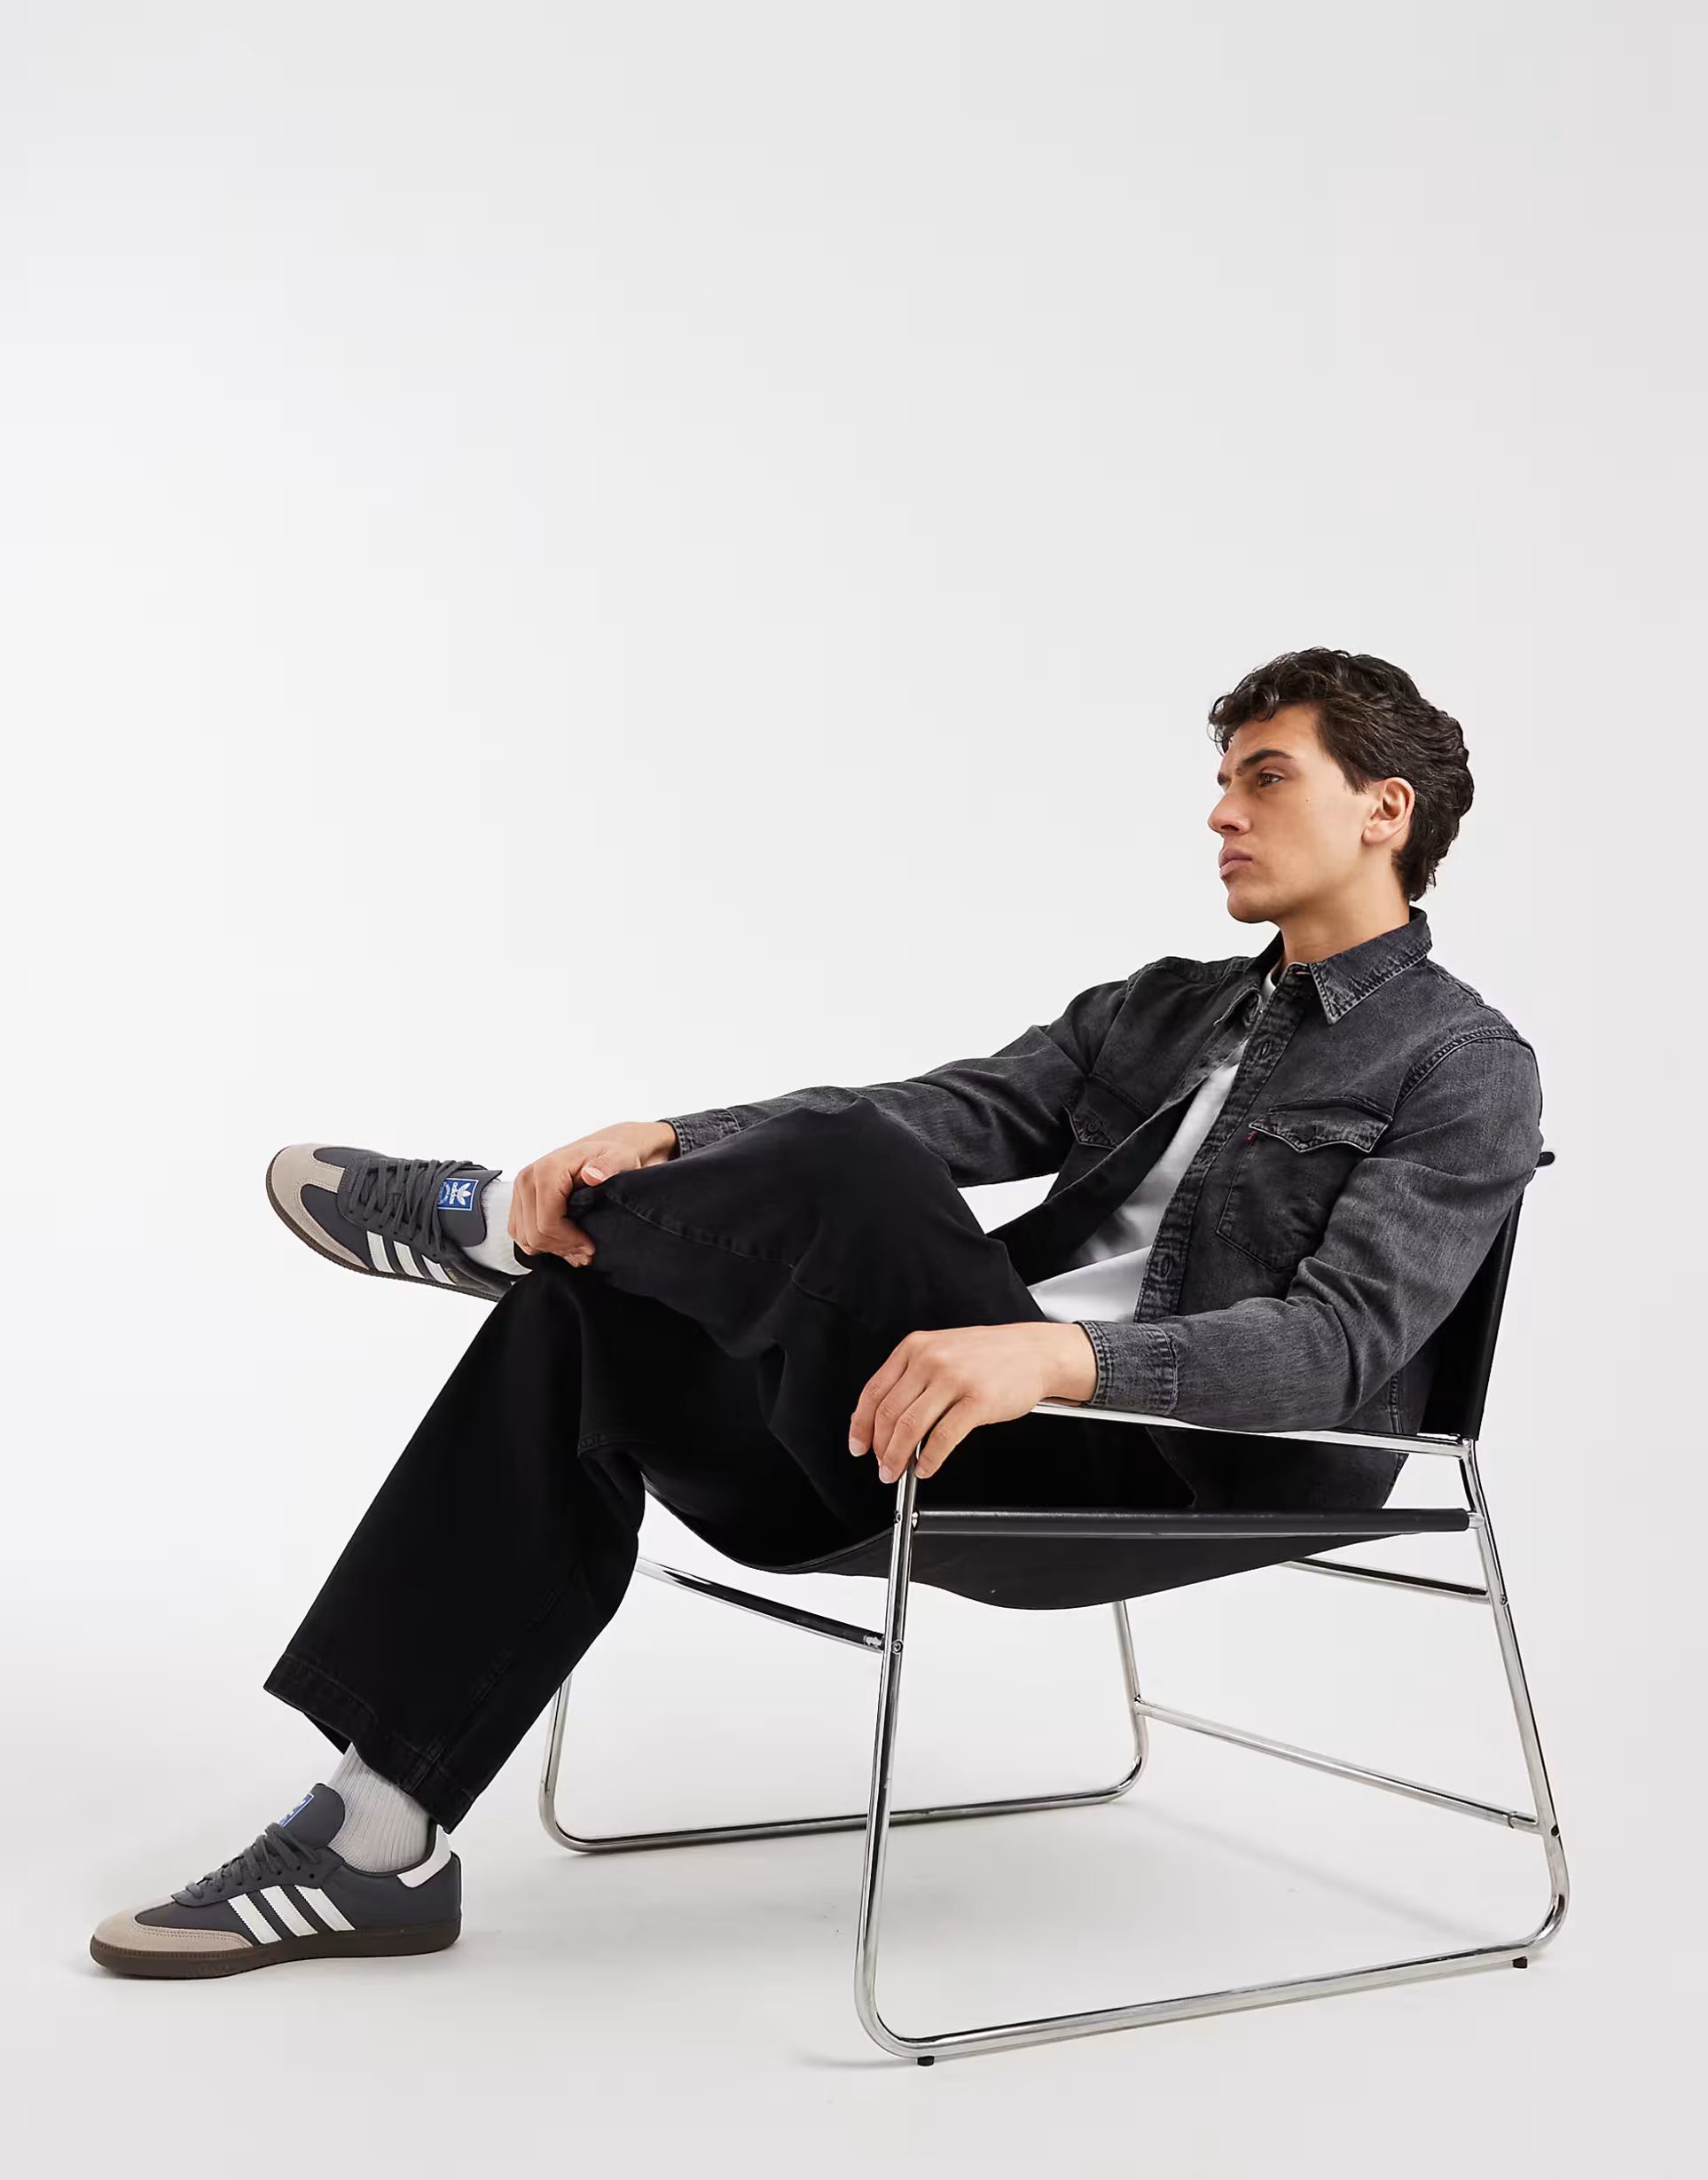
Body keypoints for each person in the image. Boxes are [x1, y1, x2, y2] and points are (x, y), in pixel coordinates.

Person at [89, 647, 1546, 1978]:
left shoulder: (1461, 1063)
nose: (1220, 812)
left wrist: (1056, 1353)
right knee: (584, 1309)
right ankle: (375, 1839)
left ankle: (493, 1229)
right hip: (930, 1419)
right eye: (1220, 780)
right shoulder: (1159, 1006)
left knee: (830, 1174)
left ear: (1383, 809)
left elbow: (1334, 1351)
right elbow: (941, 1110)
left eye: (1264, 777)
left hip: (1167, 1464)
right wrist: (663, 1139)